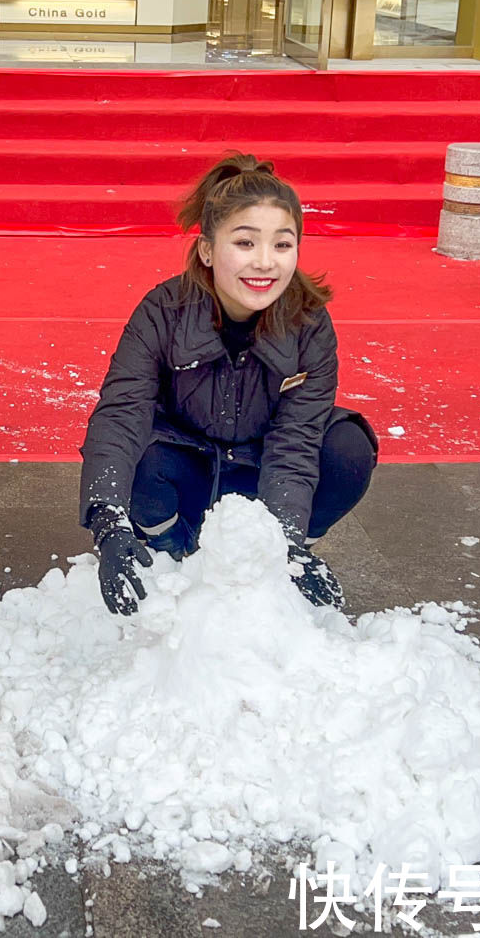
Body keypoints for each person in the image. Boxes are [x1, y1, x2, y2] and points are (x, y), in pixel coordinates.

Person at [79, 154, 378, 614]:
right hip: (185, 470)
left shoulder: (310, 325)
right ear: (207, 250)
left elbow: (295, 443)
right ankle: (168, 547)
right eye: (244, 242)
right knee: (140, 450)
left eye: (282, 245)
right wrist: (109, 525)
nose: (265, 262)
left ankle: (283, 554)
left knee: (346, 447)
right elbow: (121, 413)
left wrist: (286, 547)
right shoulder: (163, 311)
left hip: (258, 473)